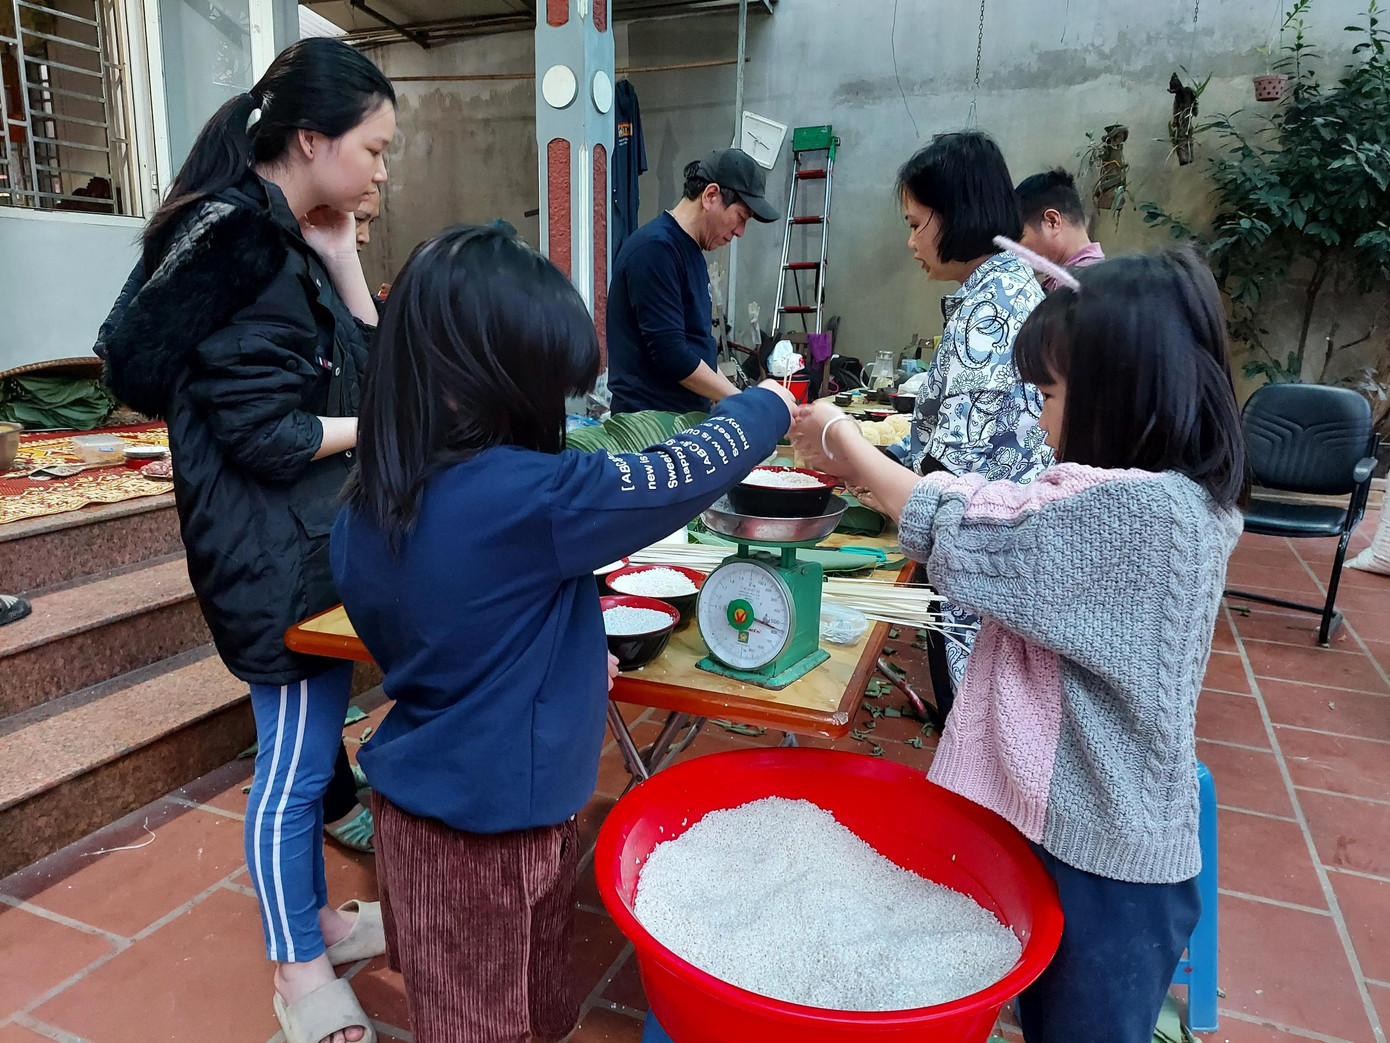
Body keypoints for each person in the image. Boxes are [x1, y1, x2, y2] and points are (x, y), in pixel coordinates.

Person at [331, 224, 797, 1043]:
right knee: (488, 1022)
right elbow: (686, 469)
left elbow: (467, 629)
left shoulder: (368, 499)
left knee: (509, 1005)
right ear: (482, 378)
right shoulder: (529, 497)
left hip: (435, 808)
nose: (559, 409)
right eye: (548, 386)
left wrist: (567, 663)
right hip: (491, 835)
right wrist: (772, 402)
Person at [790, 247, 1249, 1043]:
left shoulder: (1146, 518)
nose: (1038, 415)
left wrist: (843, 440)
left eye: (1049, 393)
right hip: (1087, 838)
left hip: (1108, 870)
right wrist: (875, 478)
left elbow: (987, 533)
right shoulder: (1164, 495)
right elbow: (1003, 502)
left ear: (1122, 391)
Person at [99, 38, 395, 1043]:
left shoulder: (283, 239)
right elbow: (272, 436)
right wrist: (385, 432)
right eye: (374, 148)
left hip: (301, 539)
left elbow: (360, 368)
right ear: (312, 138)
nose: (382, 169)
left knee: (310, 754)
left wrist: (346, 250)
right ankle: (296, 967)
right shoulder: (243, 244)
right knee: (293, 766)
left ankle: (311, 920)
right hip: (267, 552)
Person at [894, 131, 1054, 698]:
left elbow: (946, 473)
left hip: (982, 541)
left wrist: (852, 457)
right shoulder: (1003, 286)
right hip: (999, 535)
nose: (911, 242)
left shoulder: (989, 309)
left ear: (955, 215)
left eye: (916, 224)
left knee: (970, 716)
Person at [606, 147, 778, 415]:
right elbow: (672, 355)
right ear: (710, 196)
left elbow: (697, 351)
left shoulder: (691, 251)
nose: (740, 232)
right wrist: (746, 402)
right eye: (741, 217)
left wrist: (743, 399)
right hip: (650, 426)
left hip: (680, 420)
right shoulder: (656, 250)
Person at [1015, 168, 1106, 291]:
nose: (1014, 250)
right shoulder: (1093, 277)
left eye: (1020, 237)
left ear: (1052, 222)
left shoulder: (1079, 287)